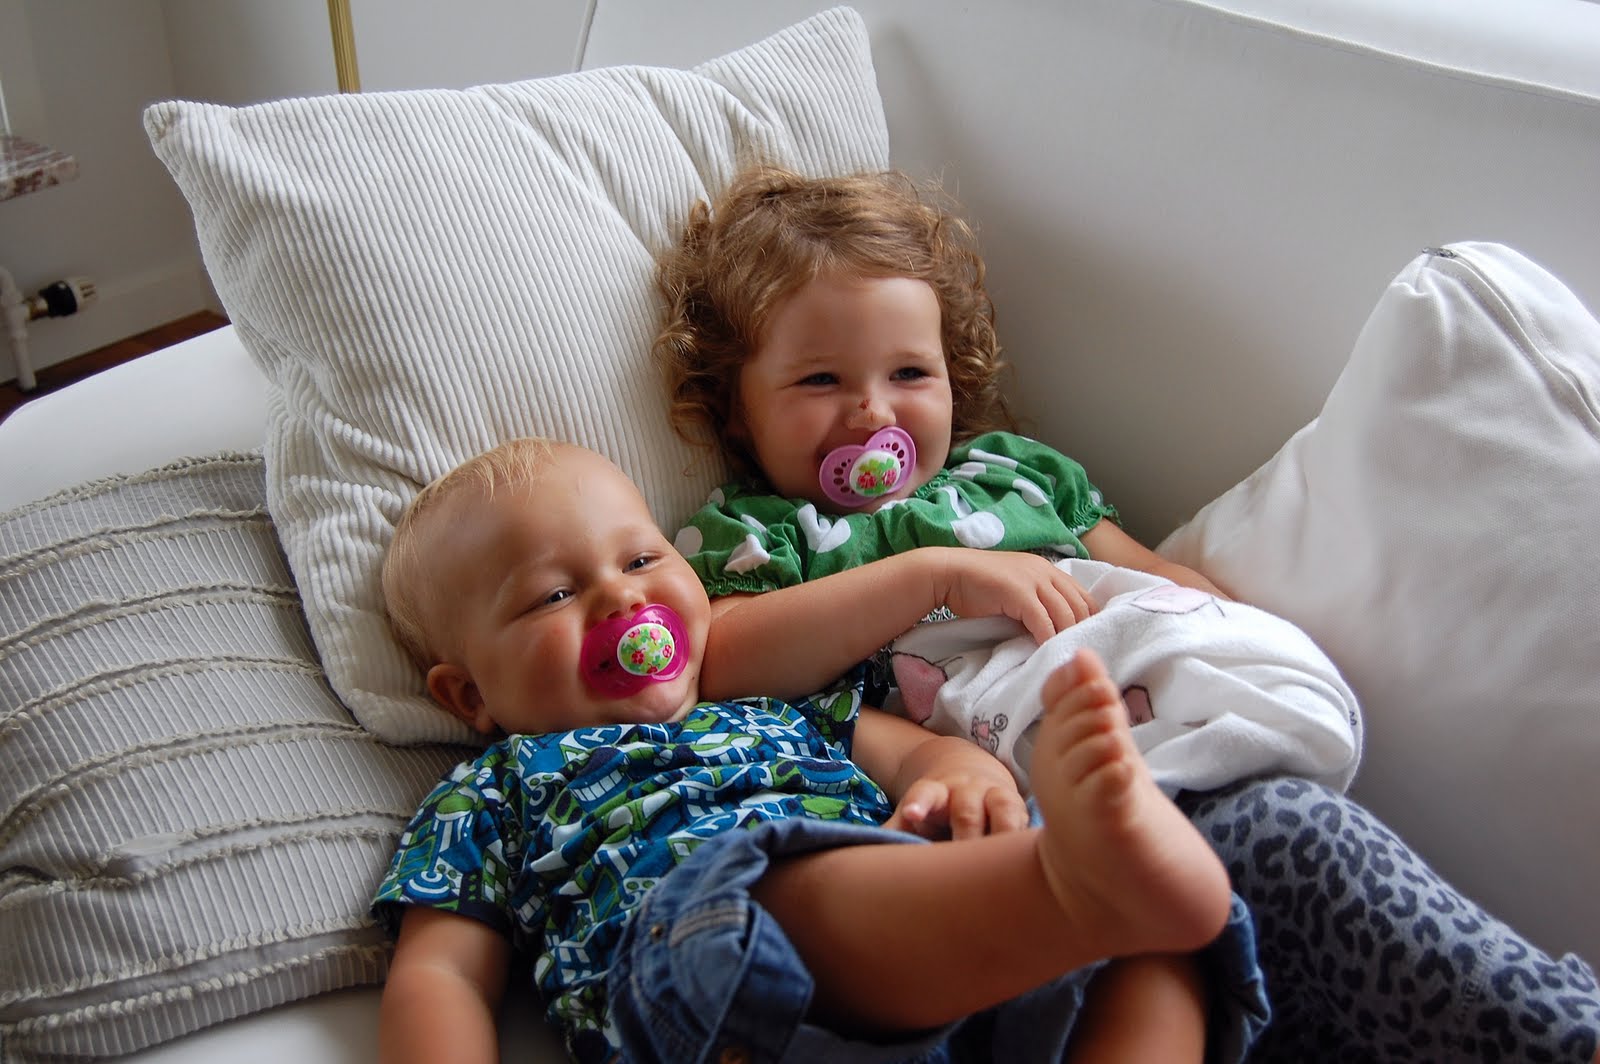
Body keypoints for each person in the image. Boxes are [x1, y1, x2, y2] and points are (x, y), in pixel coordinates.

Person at [653, 164, 1600, 1062]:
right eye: (820, 381)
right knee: (1273, 878)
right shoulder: (754, 536)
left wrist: (1228, 639)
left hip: (1168, 756)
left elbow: (1159, 585)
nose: (872, 414)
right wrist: (931, 577)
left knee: (1305, 854)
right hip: (1031, 846)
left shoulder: (1018, 475)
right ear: (737, 410)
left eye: (909, 374)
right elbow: (718, 663)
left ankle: (1556, 1029)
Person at [370, 437, 1269, 1064]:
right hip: (705, 968)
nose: (621, 601)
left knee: (1146, 966)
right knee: (776, 886)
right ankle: (1072, 890)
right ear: (470, 695)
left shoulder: (776, 707)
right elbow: (441, 975)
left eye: (642, 560)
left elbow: (918, 758)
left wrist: (963, 780)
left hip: (949, 968)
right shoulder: (495, 788)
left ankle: (1099, 910)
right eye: (554, 595)